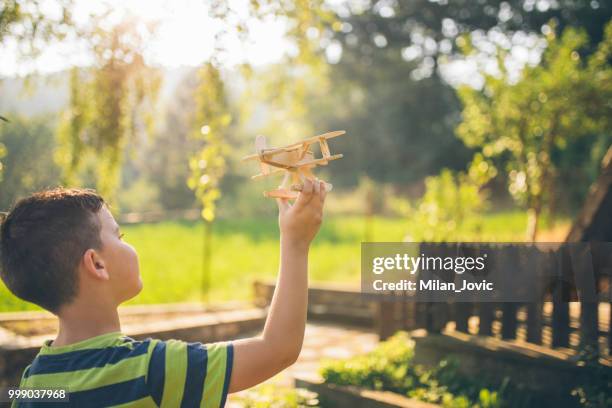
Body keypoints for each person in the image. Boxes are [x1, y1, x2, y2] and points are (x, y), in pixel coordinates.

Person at [0, 178, 326, 407]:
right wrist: (295, 244)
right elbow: (278, 349)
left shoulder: (34, 384)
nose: (128, 242)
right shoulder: (151, 369)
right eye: (120, 235)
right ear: (97, 264)